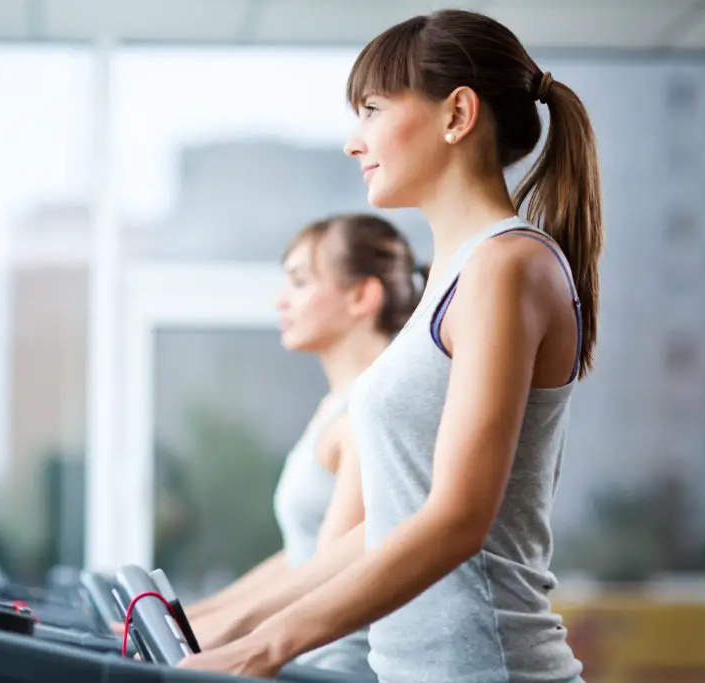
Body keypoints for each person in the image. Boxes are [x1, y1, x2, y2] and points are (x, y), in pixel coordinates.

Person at [178, 8, 602, 683]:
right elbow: (385, 525)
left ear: (457, 114)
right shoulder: (455, 276)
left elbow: (458, 517)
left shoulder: (506, 266)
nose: (355, 140)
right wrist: (224, 625)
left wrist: (266, 646)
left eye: (372, 109)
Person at [183, 213, 424, 676]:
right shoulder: (336, 407)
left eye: (299, 282)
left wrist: (229, 633)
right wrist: (196, 620)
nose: (282, 300)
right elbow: (302, 556)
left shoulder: (365, 412)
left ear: (361, 296)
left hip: (333, 667)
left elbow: (332, 569)